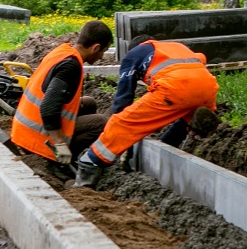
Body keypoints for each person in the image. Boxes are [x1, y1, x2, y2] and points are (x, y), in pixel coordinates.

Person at [72, 35, 221, 188]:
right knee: (185, 117)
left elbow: (123, 101)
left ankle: (87, 169)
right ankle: (170, 143)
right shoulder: (175, 47)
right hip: (208, 88)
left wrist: (124, 142)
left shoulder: (134, 53)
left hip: (175, 88)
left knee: (120, 123)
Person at [9, 20, 114, 167]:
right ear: (95, 48)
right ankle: (59, 161)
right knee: (101, 123)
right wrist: (59, 143)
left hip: (24, 128)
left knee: (89, 103)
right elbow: (48, 108)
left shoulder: (63, 51)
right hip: (36, 138)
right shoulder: (71, 67)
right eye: (103, 51)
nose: (102, 57)